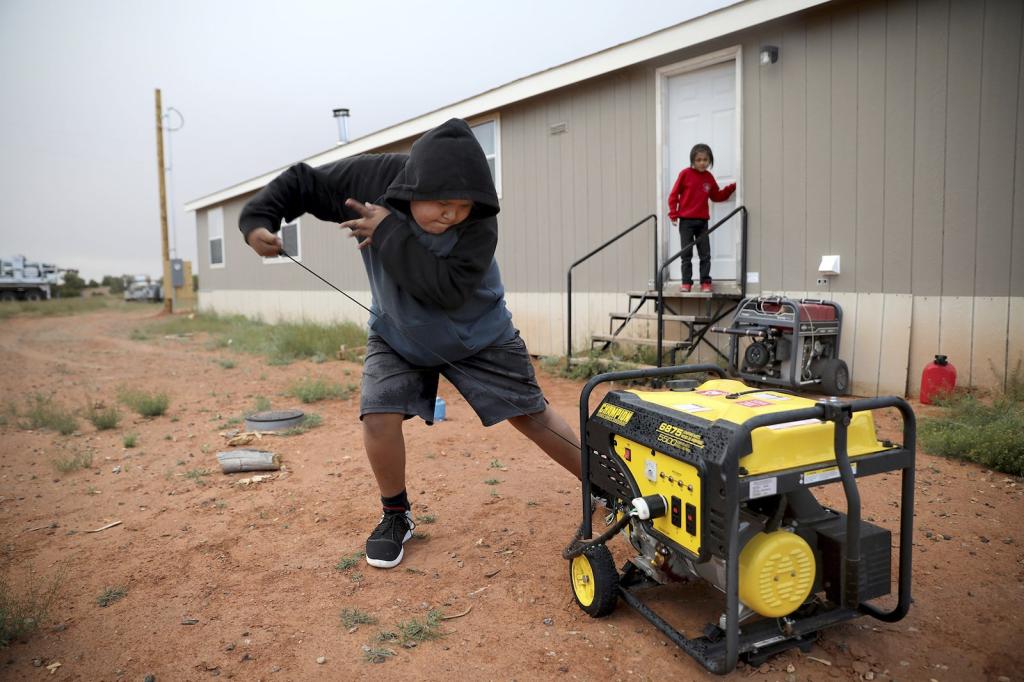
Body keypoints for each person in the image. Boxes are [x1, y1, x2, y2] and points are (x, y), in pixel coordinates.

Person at [239, 118, 581, 569]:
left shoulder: (480, 224)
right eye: (442, 204)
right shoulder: (372, 181)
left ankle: (606, 488)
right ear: (416, 186)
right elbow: (303, 183)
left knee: (531, 415)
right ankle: (395, 515)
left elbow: (443, 289)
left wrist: (388, 232)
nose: (452, 215)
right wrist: (256, 221)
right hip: (397, 331)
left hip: (478, 333)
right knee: (377, 415)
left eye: (461, 207)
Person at [666, 143, 736, 293]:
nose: (702, 162)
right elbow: (673, 195)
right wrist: (673, 213)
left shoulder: (708, 178)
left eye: (705, 159)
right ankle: (686, 283)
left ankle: (705, 282)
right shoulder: (685, 174)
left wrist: (732, 187)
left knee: (705, 253)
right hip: (686, 222)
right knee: (686, 254)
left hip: (702, 222)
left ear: (710, 160)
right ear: (693, 160)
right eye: (698, 160)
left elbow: (717, 196)